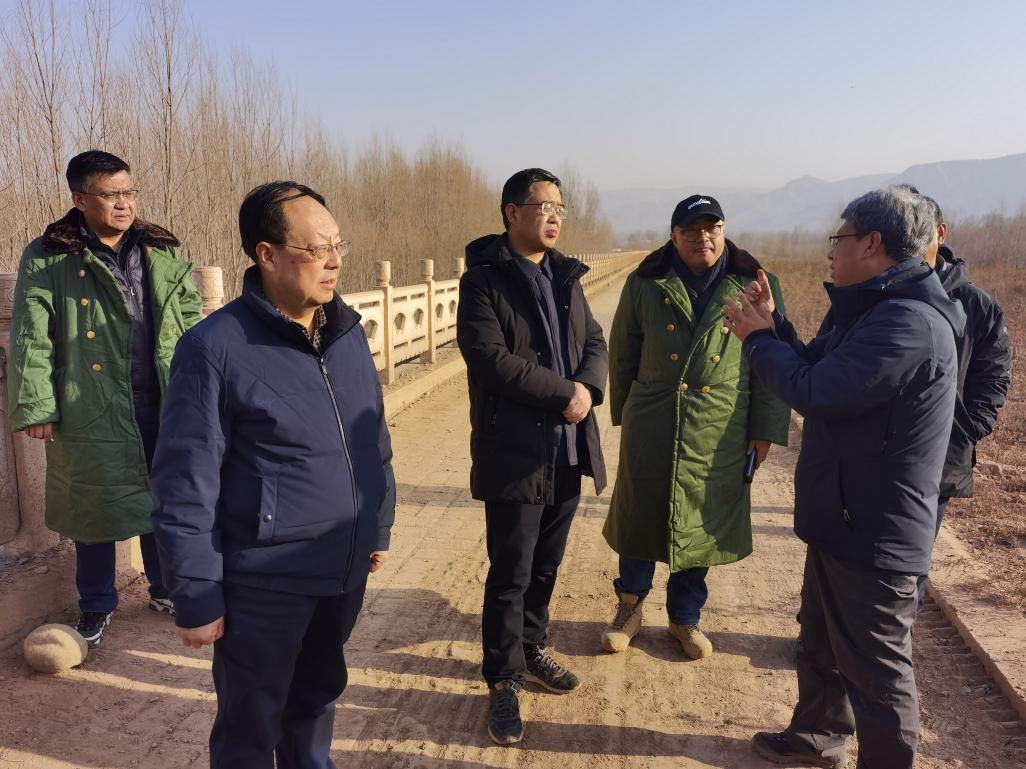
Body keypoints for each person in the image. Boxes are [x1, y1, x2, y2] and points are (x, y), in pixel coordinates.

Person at [150, 181, 395, 769]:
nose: (334, 261)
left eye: (338, 245)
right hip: (265, 581)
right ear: (267, 254)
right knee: (251, 724)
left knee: (316, 701)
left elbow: (373, 438)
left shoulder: (345, 332)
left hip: (340, 568)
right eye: (317, 248)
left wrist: (377, 523)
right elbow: (185, 482)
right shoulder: (214, 348)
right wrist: (196, 594)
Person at [725, 186, 965, 769]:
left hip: (876, 531)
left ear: (873, 243)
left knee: (878, 676)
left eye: (840, 238)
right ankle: (818, 736)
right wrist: (776, 328)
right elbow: (816, 363)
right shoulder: (875, 310)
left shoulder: (908, 323)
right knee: (821, 644)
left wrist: (757, 341)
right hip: (843, 515)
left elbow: (816, 391)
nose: (832, 252)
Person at [7, 150, 203, 647]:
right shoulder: (50, 255)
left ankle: (166, 589)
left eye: (128, 192)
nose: (124, 204)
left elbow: (189, 317)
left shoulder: (158, 247)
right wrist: (38, 405)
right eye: (110, 194)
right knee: (92, 505)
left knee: (165, 494)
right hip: (90, 399)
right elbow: (31, 334)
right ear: (80, 199)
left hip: (162, 392)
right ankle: (96, 603)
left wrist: (202, 387)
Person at [600, 195, 791, 659]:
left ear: (723, 231)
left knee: (700, 517)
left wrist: (764, 429)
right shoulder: (645, 281)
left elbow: (774, 359)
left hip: (719, 422)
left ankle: (685, 618)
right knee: (640, 513)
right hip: (654, 417)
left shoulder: (756, 283)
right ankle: (629, 607)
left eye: (712, 228)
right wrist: (626, 415)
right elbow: (623, 351)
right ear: (673, 235)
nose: (702, 237)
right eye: (690, 230)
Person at [456, 168, 608, 745]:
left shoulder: (564, 275)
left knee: (547, 564)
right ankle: (503, 678)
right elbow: (492, 361)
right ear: (511, 213)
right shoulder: (484, 282)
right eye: (544, 206)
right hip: (516, 452)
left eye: (560, 207)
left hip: (567, 447)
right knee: (511, 573)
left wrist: (587, 388)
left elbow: (594, 340)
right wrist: (564, 393)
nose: (554, 216)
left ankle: (533, 647)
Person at [916, 196, 1011, 610]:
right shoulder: (873, 293)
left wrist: (970, 426)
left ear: (940, 233)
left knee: (912, 561)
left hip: (942, 455)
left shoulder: (977, 306)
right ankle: (824, 633)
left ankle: (893, 639)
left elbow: (994, 374)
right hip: (874, 452)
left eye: (918, 229)